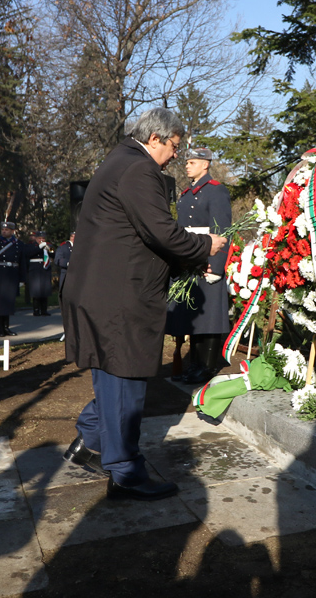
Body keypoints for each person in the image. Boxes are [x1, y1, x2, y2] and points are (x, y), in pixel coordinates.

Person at [60, 107, 227, 501]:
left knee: (116, 376)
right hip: (118, 297)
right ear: (155, 138)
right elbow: (162, 232)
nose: (175, 156)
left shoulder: (122, 161)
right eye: (173, 147)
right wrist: (206, 246)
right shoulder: (138, 169)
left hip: (105, 293)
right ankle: (125, 472)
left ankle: (88, 439)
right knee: (124, 380)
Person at [165, 147, 232, 384]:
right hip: (189, 260)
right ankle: (194, 364)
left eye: (192, 162)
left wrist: (216, 265)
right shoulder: (186, 194)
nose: (187, 165)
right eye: (187, 162)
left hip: (208, 261)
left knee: (209, 317)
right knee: (193, 316)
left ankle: (207, 366)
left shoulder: (216, 191)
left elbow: (222, 230)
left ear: (205, 164)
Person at [0, 221, 23, 337]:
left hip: (11, 275)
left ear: (12, 231)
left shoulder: (18, 244)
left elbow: (22, 262)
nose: (4, 231)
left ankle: (6, 327)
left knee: (8, 303)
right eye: (3, 229)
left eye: (7, 230)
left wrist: (22, 279)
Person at [25, 231, 53, 316]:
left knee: (45, 290)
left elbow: (53, 254)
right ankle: (36, 310)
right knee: (36, 290)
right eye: (39, 238)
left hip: (44, 269)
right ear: (36, 239)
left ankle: (44, 310)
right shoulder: (31, 245)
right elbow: (29, 254)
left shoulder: (47, 245)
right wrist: (39, 248)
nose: (41, 240)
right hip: (35, 269)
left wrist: (49, 250)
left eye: (43, 238)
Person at [54, 232, 73, 299]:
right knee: (65, 293)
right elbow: (58, 260)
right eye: (72, 236)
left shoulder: (81, 246)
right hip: (66, 272)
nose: (74, 238)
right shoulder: (64, 246)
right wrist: (68, 263)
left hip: (78, 274)